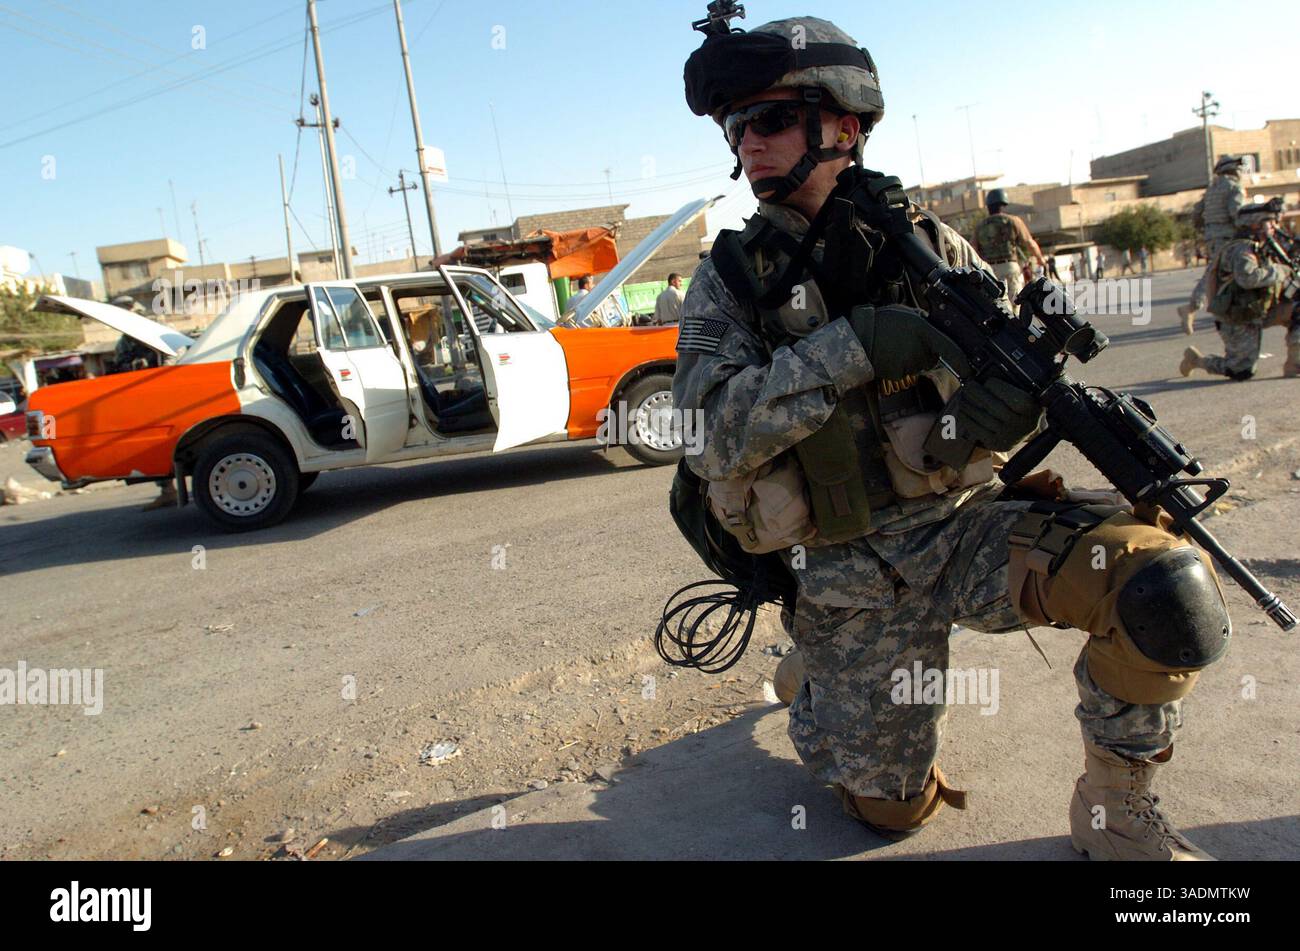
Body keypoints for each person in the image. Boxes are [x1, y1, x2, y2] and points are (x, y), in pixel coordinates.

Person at [675, 12, 1231, 859]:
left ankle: (1116, 809)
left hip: (966, 529)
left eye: (774, 118)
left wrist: (1007, 411)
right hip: (849, 567)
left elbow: (1022, 375)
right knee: (892, 813)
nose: (751, 142)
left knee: (1161, 586)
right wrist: (851, 347)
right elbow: (707, 435)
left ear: (844, 124)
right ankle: (817, 678)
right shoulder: (730, 281)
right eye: (737, 125)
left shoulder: (933, 249)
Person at [1180, 200, 1298, 380]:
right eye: (1270, 222)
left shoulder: (1261, 245)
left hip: (1258, 310)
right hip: (1237, 317)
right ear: (1255, 223)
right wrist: (1279, 271)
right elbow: (1247, 278)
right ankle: (1197, 360)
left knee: (1298, 309)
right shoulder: (1241, 249)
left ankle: (1295, 364)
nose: (1275, 226)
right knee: (1242, 371)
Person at [1179, 155, 1249, 335]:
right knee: (1216, 274)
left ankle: (1227, 311)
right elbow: (1236, 213)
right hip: (1227, 238)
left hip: (1212, 237)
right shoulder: (1234, 187)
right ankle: (1192, 307)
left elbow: (1197, 213)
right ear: (1234, 170)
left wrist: (1207, 228)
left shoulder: (1212, 189)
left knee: (1222, 275)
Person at [973, 189, 1046, 304]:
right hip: (1009, 266)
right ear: (1003, 205)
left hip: (989, 269)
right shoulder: (1013, 221)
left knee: (996, 304)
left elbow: (973, 249)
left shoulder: (980, 226)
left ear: (988, 206)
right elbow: (1029, 242)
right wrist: (1040, 259)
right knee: (1015, 303)